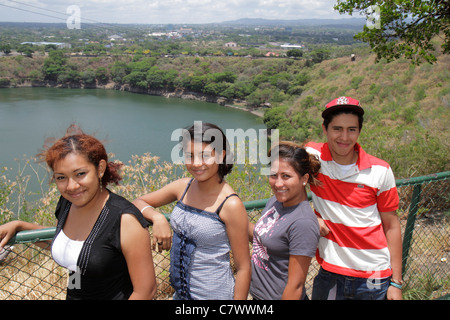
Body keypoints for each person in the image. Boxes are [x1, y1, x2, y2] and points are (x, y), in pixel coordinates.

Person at [0, 125, 156, 300]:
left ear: (100, 168)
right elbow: (73, 249)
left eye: (80, 174)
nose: (71, 186)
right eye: (61, 177)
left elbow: (145, 291)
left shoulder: (124, 219)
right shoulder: (67, 204)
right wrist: (20, 226)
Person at [133, 122, 251, 300]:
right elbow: (138, 201)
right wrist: (157, 218)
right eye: (190, 156)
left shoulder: (230, 204)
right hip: (180, 296)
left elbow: (243, 267)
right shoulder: (183, 187)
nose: (196, 164)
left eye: (205, 156)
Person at [305, 96, 403, 300]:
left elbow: (391, 226)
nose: (344, 137)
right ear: (325, 129)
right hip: (330, 272)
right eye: (337, 128)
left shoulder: (380, 171)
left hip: (373, 276)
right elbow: (282, 182)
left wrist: (396, 283)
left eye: (352, 129)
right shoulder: (313, 155)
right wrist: (308, 215)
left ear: (359, 131)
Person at [249, 141, 321, 300]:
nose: (278, 183)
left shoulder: (303, 222)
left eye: (286, 176)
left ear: (304, 179)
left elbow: (295, 286)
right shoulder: (275, 202)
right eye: (273, 175)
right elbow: (264, 235)